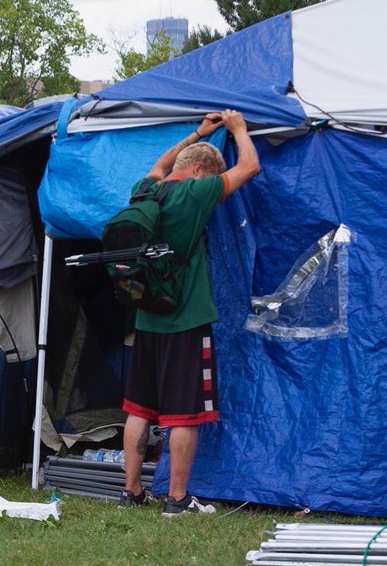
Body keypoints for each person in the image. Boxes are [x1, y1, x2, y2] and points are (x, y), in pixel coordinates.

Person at [119, 110, 260, 516]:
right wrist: (237, 130)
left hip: (147, 317)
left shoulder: (145, 190)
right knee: (184, 410)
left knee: (139, 407)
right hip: (185, 319)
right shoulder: (195, 195)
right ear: (200, 172)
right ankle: (177, 500)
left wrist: (199, 133)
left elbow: (162, 165)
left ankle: (132, 492)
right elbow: (249, 166)